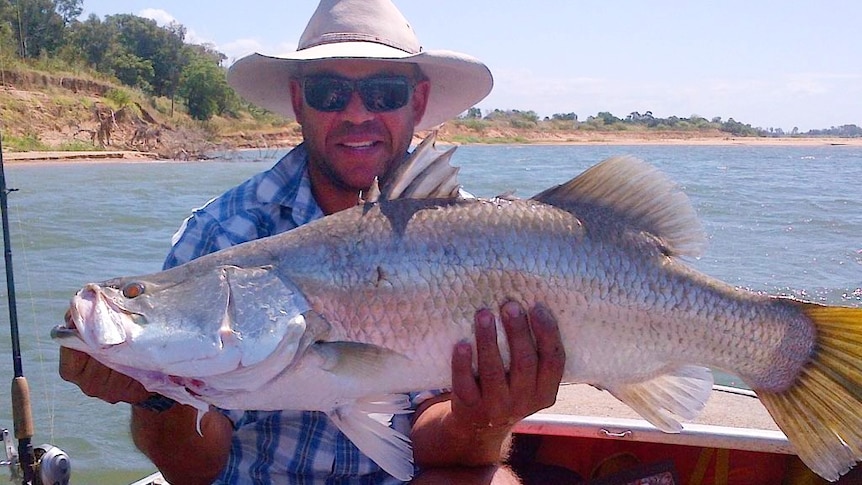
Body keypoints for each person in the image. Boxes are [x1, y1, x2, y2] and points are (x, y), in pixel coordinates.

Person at [59, 0, 566, 483]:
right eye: (329, 92)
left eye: (385, 92)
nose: (356, 114)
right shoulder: (219, 233)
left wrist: (484, 418)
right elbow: (194, 472)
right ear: (300, 100)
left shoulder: (475, 234)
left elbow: (436, 452)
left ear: (419, 101)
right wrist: (155, 395)